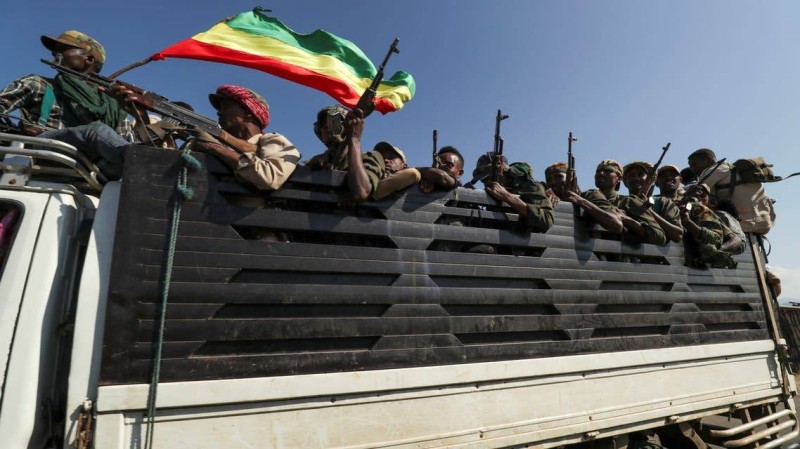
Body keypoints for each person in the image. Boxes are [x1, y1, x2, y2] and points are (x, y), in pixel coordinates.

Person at [0, 30, 132, 179]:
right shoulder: (37, 84)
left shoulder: (113, 105)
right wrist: (16, 133)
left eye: (63, 50)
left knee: (125, 151)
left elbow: (126, 146)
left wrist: (140, 116)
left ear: (89, 59)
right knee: (97, 131)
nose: (55, 54)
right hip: (43, 152)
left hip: (89, 172)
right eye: (55, 51)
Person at [190, 85, 300, 192]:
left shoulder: (272, 140)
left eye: (225, 106)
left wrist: (216, 148)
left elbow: (269, 177)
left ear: (248, 112)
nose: (219, 112)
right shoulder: (221, 145)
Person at [687, 148, 775, 233]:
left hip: (739, 228)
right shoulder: (738, 171)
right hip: (765, 225)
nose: (692, 169)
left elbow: (694, 197)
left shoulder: (713, 171)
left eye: (694, 164)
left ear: (709, 159)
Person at [473, 153, 554, 233]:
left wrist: (508, 197)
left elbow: (547, 219)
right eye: (483, 180)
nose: (487, 183)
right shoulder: (493, 192)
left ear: (503, 170)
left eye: (489, 177)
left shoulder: (529, 185)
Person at [592, 160, 666, 245]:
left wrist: (627, 220)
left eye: (608, 170)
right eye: (598, 171)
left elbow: (659, 236)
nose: (601, 173)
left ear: (619, 178)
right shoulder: (587, 196)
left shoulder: (629, 202)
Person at [545, 161, 623, 234]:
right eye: (549, 179)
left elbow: (616, 224)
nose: (553, 182)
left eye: (558, 177)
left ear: (571, 177)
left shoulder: (590, 195)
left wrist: (579, 201)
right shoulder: (547, 198)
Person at [679, 183, 737, 269]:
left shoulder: (715, 215)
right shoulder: (679, 207)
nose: (698, 198)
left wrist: (718, 250)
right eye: (694, 196)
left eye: (702, 196)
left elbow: (734, 239)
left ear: (709, 199)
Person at [623, 161, 682, 243]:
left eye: (641, 174)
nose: (636, 178)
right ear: (625, 181)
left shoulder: (663, 202)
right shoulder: (620, 202)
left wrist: (648, 210)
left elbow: (677, 236)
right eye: (631, 176)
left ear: (650, 180)